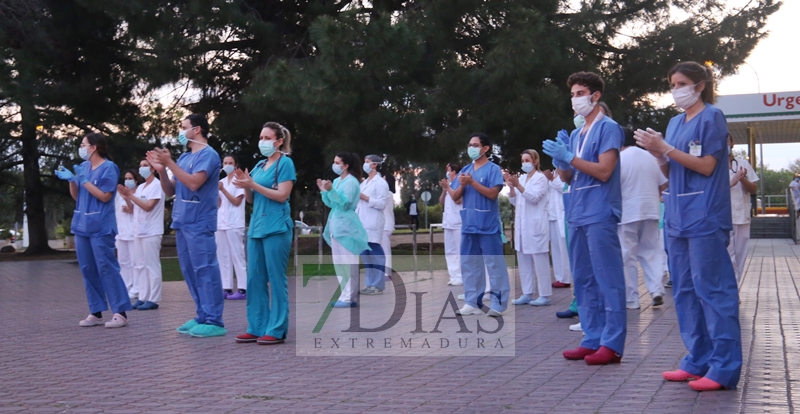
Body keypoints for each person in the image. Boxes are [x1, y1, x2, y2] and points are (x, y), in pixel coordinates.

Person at [634, 61, 741, 391]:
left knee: (712, 290)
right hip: (678, 215)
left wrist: (666, 148)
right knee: (683, 290)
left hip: (706, 214)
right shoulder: (675, 121)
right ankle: (698, 358)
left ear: (700, 85)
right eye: (671, 84)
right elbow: (673, 173)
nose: (675, 89)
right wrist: (659, 155)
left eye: (681, 83)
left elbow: (708, 166)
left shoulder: (712, 117)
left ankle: (724, 367)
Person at [542, 71, 626, 365]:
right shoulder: (577, 134)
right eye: (573, 94)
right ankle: (591, 337)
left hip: (601, 210)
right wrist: (561, 160)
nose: (575, 99)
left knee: (608, 278)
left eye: (580, 93)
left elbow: (604, 171)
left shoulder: (609, 128)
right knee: (584, 279)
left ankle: (612, 343)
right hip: (576, 210)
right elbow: (568, 177)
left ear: (595, 96)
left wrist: (571, 157)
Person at [146, 114, 226, 338]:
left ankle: (214, 320)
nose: (181, 132)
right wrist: (161, 170)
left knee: (205, 269)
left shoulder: (208, 155)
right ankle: (202, 315)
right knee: (190, 270)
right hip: (183, 220)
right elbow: (171, 190)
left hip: (200, 221)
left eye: (184, 127)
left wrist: (169, 162)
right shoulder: (183, 158)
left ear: (197, 129)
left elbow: (193, 183)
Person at [55, 133, 131, 328]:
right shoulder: (85, 168)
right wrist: (72, 180)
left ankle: (120, 312)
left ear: (94, 147)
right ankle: (96, 311)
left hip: (100, 226)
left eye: (83, 144)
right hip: (82, 225)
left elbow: (105, 196)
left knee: (106, 267)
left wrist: (84, 180)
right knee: (88, 268)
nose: (81, 148)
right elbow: (77, 197)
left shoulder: (108, 168)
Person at [233, 122, 295, 345]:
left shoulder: (285, 163)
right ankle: (256, 326)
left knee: (276, 279)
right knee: (254, 279)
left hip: (276, 228)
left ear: (278, 141)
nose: (263, 142)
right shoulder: (259, 165)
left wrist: (253, 184)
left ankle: (277, 329)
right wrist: (245, 185)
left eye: (267, 138)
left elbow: (282, 195)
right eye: (261, 137)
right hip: (257, 228)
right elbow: (251, 200)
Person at [450, 133, 511, 317]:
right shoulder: (465, 170)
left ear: (485, 149)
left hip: (487, 225)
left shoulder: (493, 170)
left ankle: (498, 304)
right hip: (469, 225)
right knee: (470, 264)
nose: (472, 148)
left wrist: (472, 182)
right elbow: (454, 197)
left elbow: (493, 194)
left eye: (475, 145)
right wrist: (462, 184)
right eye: (470, 144)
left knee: (494, 265)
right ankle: (472, 302)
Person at [618, 128, 669, 310]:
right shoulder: (650, 157)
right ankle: (656, 290)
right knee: (651, 251)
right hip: (651, 209)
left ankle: (632, 298)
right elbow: (664, 184)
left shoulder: (619, 159)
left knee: (627, 256)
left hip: (627, 212)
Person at [318, 152, 370, 308]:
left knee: (349, 263)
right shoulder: (336, 181)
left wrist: (331, 191)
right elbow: (330, 203)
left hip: (347, 226)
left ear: (346, 165)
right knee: (339, 263)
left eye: (337, 162)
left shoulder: (352, 182)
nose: (334, 165)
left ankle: (350, 297)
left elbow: (345, 204)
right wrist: (324, 190)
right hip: (335, 226)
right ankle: (344, 294)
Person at [506, 150, 551, 306]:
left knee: (540, 261)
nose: (525, 163)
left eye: (527, 160)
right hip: (522, 226)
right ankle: (527, 293)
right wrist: (512, 187)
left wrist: (519, 186)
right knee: (524, 261)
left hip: (536, 225)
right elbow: (514, 201)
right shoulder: (523, 178)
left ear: (536, 161)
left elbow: (534, 198)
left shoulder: (541, 179)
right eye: (523, 160)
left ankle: (544, 294)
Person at [118, 158, 165, 311]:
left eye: (145, 166)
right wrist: (127, 198)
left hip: (152, 231)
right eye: (140, 166)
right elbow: (134, 209)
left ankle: (154, 298)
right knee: (140, 266)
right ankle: (143, 296)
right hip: (138, 230)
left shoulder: (157, 185)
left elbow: (148, 207)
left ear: (153, 169)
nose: (142, 168)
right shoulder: (142, 187)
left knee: (151, 265)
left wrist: (130, 196)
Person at [727, 134, 758, 282]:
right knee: (728, 256)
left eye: (726, 142)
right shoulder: (713, 166)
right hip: (723, 217)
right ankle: (731, 291)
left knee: (740, 255)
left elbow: (753, 189)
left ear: (732, 144)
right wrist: (732, 181)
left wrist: (742, 179)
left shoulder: (743, 164)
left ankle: (735, 289)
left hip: (742, 216)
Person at [358, 154, 390, 294]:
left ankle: (378, 285)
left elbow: (382, 203)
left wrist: (365, 198)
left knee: (375, 252)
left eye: (367, 162)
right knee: (365, 254)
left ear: (375, 164)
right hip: (362, 222)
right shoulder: (363, 183)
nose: (365, 164)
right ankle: (370, 283)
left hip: (373, 221)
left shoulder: (381, 183)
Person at [217, 154, 247, 300]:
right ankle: (226, 287)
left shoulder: (239, 181)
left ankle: (243, 288)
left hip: (234, 223)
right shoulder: (221, 182)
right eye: (225, 162)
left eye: (230, 163)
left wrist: (223, 190)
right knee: (223, 256)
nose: (227, 165)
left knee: (237, 256)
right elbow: (218, 204)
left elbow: (236, 201)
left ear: (235, 166)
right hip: (221, 223)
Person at [115, 169, 142, 300]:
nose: (127, 181)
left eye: (130, 178)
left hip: (134, 232)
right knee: (123, 262)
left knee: (135, 262)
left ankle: (136, 288)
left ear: (136, 180)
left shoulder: (140, 192)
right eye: (126, 178)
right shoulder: (118, 194)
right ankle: (126, 286)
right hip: (121, 232)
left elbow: (141, 209)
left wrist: (129, 204)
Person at [545, 169, 571, 289]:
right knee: (555, 249)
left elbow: (564, 188)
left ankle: (566, 278)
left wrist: (552, 179)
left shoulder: (565, 171)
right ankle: (559, 277)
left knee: (563, 249)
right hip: (552, 215)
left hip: (561, 214)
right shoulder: (553, 171)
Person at [439, 163, 463, 286]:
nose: (447, 173)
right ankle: (453, 275)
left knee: (460, 250)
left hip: (458, 222)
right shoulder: (449, 184)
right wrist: (444, 190)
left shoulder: (460, 183)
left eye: (448, 170)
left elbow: (459, 200)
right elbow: (441, 202)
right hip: (448, 222)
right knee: (450, 250)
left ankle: (461, 276)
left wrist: (448, 188)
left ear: (454, 171)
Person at [381, 163, 396, 279]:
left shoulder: (388, 194)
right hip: (381, 224)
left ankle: (387, 272)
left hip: (386, 225)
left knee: (385, 249)